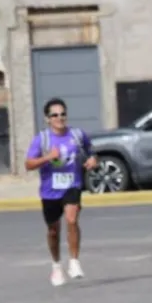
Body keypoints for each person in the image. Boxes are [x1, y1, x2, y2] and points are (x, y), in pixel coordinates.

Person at [24, 98, 98, 286]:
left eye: (63, 114)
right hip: (50, 191)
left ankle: (74, 262)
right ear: (47, 119)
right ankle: (56, 266)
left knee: (72, 220)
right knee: (53, 230)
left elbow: (91, 150)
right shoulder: (42, 139)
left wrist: (92, 160)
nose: (60, 118)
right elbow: (29, 164)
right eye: (55, 115)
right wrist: (48, 157)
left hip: (72, 185)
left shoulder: (77, 135)